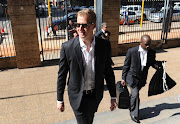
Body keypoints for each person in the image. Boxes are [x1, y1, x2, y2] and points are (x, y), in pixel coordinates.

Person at [57, 9, 117, 124]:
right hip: (77, 96)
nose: (80, 29)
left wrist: (113, 96)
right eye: (78, 25)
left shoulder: (103, 45)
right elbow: (62, 75)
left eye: (84, 25)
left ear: (93, 26)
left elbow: (108, 72)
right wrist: (60, 99)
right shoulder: (67, 47)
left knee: (89, 120)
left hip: (95, 95)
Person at [121, 35, 159, 123]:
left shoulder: (152, 52)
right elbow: (126, 65)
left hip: (142, 79)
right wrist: (123, 78)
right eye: (146, 44)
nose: (148, 46)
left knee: (134, 96)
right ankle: (134, 114)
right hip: (132, 77)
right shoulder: (132, 51)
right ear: (140, 43)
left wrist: (157, 66)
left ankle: (131, 105)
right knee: (135, 95)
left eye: (149, 44)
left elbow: (152, 63)